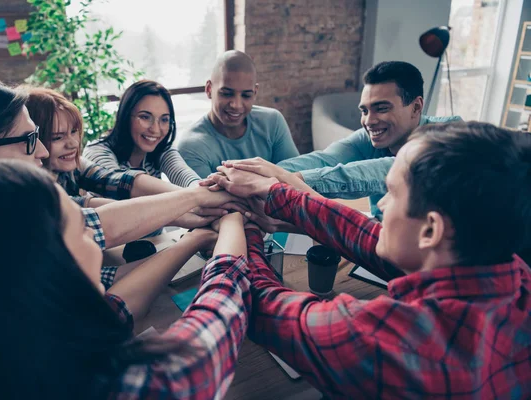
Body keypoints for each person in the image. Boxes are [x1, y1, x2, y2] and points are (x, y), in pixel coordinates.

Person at [208, 121, 531, 398]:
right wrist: (278, 194)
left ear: (431, 229)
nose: (382, 206)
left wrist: (242, 223)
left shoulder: (384, 339)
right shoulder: (512, 272)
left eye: (391, 193)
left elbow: (262, 304)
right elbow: (368, 235)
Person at [0, 159, 253, 400]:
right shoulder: (125, 387)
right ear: (48, 266)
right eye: (86, 232)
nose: (99, 239)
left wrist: (194, 237)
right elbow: (215, 324)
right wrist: (233, 223)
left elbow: (114, 309)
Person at [0, 79, 243, 288]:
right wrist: (196, 219)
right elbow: (100, 246)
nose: (41, 151)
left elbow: (99, 204)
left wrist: (194, 202)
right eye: (30, 139)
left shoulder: (11, 202)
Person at [273, 60, 462, 218]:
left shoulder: (450, 133)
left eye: (381, 108)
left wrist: (295, 180)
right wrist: (265, 173)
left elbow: (397, 168)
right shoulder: (371, 138)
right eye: (364, 111)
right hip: (382, 243)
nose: (368, 121)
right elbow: (322, 159)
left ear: (416, 107)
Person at [177, 50, 299, 178]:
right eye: (226, 93)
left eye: (246, 95)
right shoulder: (192, 146)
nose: (236, 105)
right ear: (209, 89)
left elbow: (296, 179)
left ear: (255, 93)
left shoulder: (272, 122)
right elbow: (203, 197)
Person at [24, 86, 140, 207]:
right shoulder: (30, 188)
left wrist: (161, 197)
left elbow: (115, 180)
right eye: (57, 137)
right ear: (33, 141)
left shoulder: (71, 167)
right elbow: (83, 208)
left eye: (74, 131)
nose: (73, 144)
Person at [83, 80, 201, 191]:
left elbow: (186, 177)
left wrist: (205, 188)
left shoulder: (161, 149)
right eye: (145, 117)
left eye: (164, 119)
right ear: (125, 116)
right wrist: (193, 196)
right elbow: (126, 191)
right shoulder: (97, 152)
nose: (155, 129)